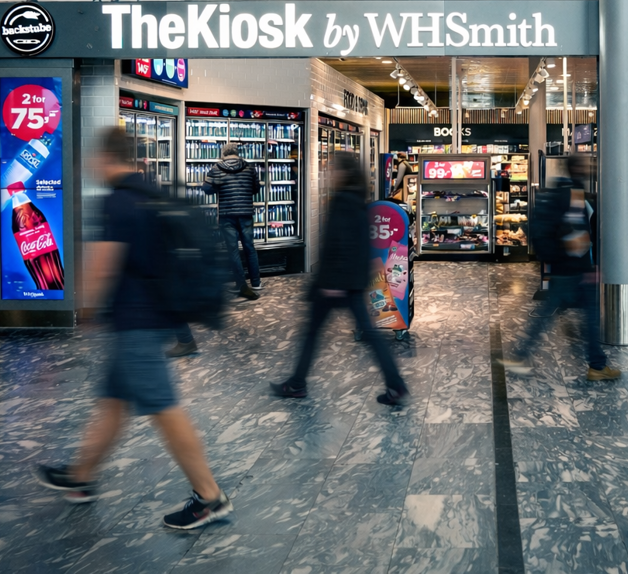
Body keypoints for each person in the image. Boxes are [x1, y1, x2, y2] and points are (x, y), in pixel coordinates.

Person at [36, 127, 233, 529]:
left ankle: (210, 496)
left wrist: (87, 310)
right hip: (151, 315)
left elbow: (103, 264)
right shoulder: (149, 192)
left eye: (94, 158)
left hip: (135, 324)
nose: (90, 165)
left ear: (106, 157)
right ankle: (81, 476)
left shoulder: (118, 201)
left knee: (164, 408)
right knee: (113, 400)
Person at [271, 152, 410, 405]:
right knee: (368, 334)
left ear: (344, 173)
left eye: (334, 169)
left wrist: (332, 283)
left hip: (335, 282)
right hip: (351, 280)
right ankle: (395, 384)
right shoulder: (357, 198)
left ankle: (297, 384)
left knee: (313, 332)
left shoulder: (342, 201)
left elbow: (340, 243)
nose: (330, 173)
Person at [501, 154, 620, 382]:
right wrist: (588, 266)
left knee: (549, 315)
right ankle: (597, 366)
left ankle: (522, 355)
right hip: (574, 269)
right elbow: (578, 233)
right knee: (589, 318)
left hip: (563, 267)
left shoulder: (558, 193)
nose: (590, 168)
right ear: (578, 169)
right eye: (585, 165)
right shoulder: (574, 195)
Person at [203, 141, 261, 300]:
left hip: (227, 214)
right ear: (237, 153)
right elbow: (256, 188)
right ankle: (256, 282)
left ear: (224, 153)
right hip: (246, 212)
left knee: (233, 250)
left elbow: (206, 189)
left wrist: (218, 186)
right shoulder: (249, 167)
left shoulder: (216, 168)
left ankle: (241, 284)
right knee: (250, 247)